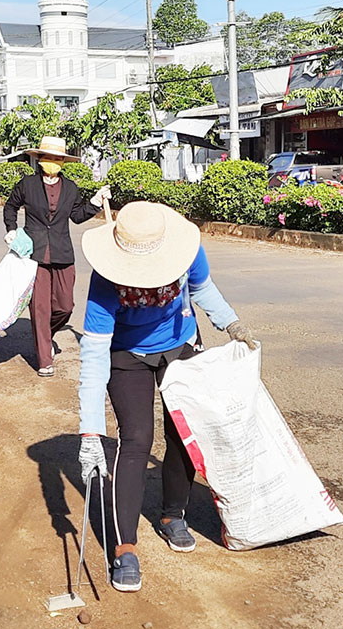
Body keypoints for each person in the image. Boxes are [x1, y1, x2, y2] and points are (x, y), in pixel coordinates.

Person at [75, 201, 258, 593]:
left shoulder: (187, 250)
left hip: (179, 342)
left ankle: (172, 514)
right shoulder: (106, 278)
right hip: (127, 355)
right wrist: (90, 433)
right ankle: (125, 545)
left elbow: (202, 287)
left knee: (182, 431)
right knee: (137, 438)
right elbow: (93, 355)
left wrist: (231, 322)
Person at [3, 136, 109, 377]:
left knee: (65, 306)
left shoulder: (70, 187)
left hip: (62, 252)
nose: (53, 162)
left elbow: (77, 216)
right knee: (40, 308)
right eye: (49, 158)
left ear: (63, 162)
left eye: (58, 158)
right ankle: (44, 360)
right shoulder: (27, 185)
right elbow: (10, 206)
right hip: (34, 253)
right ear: (40, 159)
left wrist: (95, 203)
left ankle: (45, 335)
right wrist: (11, 229)